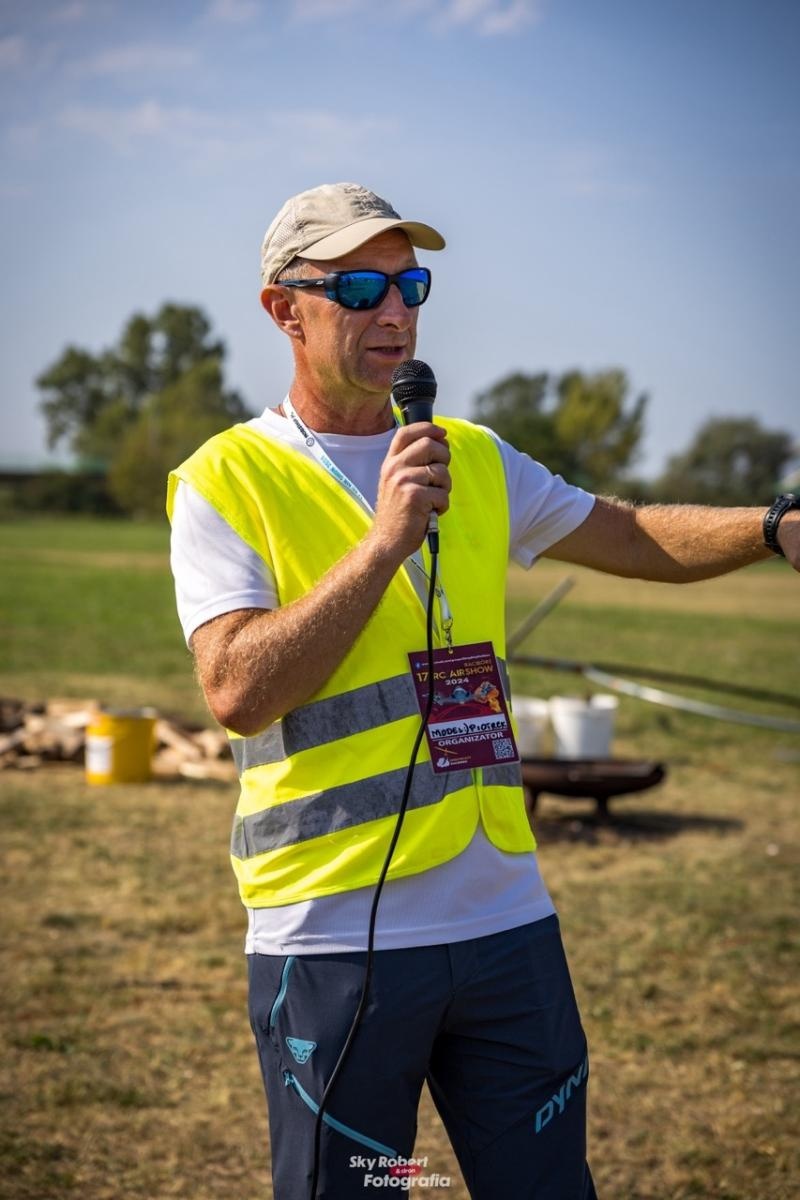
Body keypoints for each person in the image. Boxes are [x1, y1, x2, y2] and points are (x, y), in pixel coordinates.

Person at [167, 181, 799, 1199]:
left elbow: (630, 533)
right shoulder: (225, 478)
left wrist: (770, 527)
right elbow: (236, 688)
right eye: (360, 288)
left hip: (505, 919)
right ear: (284, 309)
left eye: (409, 285)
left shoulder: (473, 457)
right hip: (332, 937)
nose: (394, 311)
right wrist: (383, 544)